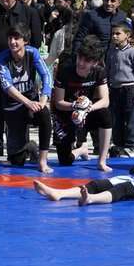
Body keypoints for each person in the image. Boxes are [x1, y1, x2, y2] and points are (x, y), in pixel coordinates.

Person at [0, 0, 42, 158]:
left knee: (19, 107)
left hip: (20, 68)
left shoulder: (29, 13)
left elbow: (36, 42)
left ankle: (22, 146)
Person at [0, 23, 53, 172]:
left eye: (16, 38)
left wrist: (43, 99)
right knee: (17, 161)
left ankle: (42, 161)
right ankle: (29, 147)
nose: (12, 42)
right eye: (10, 38)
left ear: (25, 41)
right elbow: (7, 86)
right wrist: (27, 102)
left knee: (45, 114)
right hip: (13, 106)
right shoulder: (2, 58)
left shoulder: (32, 53)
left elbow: (46, 75)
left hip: (31, 102)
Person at [51, 35, 113, 171]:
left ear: (95, 63)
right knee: (65, 160)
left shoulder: (99, 71)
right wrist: (75, 106)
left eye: (87, 61)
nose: (81, 63)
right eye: (80, 58)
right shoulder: (65, 69)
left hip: (86, 112)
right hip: (66, 112)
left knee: (105, 114)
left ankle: (102, 160)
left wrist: (88, 108)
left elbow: (105, 100)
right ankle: (81, 149)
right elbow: (58, 102)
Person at [105, 24, 134, 157]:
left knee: (131, 117)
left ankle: (130, 144)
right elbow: (108, 69)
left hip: (129, 88)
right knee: (116, 117)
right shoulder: (111, 52)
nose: (114, 36)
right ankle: (118, 144)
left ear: (127, 35)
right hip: (114, 88)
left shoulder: (133, 52)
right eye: (113, 34)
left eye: (118, 33)